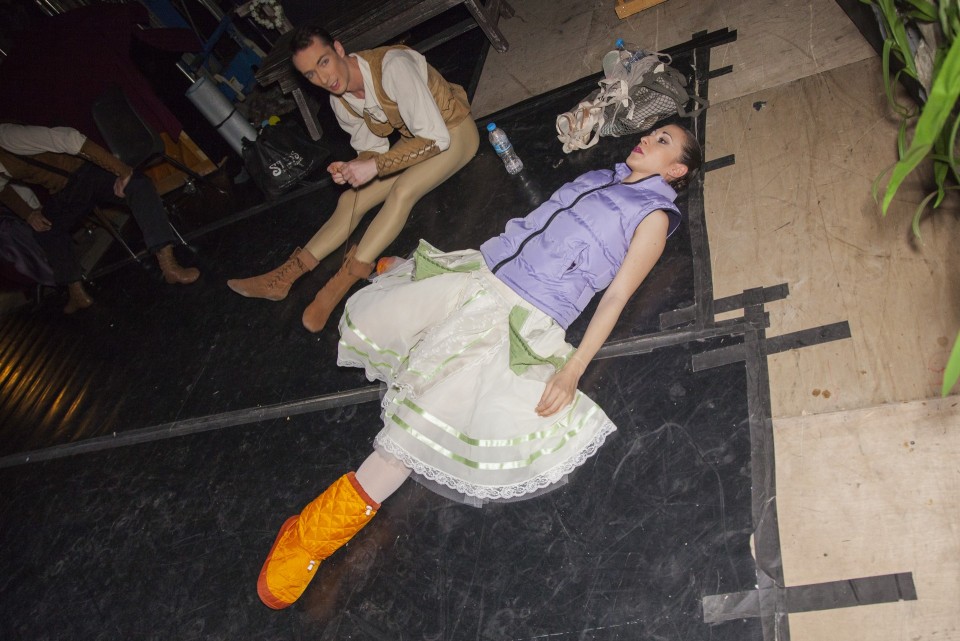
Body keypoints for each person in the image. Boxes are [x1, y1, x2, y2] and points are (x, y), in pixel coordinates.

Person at [255, 124, 703, 610]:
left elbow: (616, 297)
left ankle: (310, 538)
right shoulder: (601, 177)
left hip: (517, 318)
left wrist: (573, 368)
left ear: (676, 170)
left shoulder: (652, 216)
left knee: (413, 434)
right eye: (653, 132)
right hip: (482, 275)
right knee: (394, 315)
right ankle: (409, 274)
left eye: (663, 142)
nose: (647, 139)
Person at [226, 24, 480, 333]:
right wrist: (352, 166)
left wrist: (374, 167)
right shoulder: (340, 99)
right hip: (416, 142)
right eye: (311, 74)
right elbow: (373, 150)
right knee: (351, 198)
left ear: (338, 49)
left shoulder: (393, 67)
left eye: (323, 62)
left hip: (454, 132)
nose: (324, 79)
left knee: (402, 190)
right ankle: (284, 277)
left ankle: (339, 284)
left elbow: (436, 138)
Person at [0, 123, 200, 313]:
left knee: (138, 185)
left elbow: (70, 138)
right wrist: (29, 214)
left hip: (87, 173)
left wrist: (123, 172)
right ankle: (76, 292)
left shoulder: (8, 137)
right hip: (63, 193)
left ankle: (169, 266)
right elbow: (2, 189)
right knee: (45, 229)